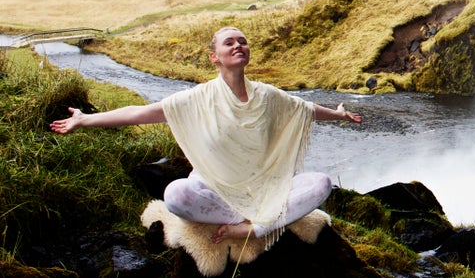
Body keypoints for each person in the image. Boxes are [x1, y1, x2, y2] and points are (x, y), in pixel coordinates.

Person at [50, 26, 361, 245]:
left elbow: (305, 108)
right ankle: (247, 219)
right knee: (175, 194)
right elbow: (139, 113)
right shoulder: (196, 98)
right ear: (215, 57)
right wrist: (85, 119)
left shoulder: (267, 96)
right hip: (217, 192)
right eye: (230, 43)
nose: (239, 45)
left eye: (243, 41)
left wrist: (339, 114)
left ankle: (256, 228)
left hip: (265, 188)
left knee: (319, 183)